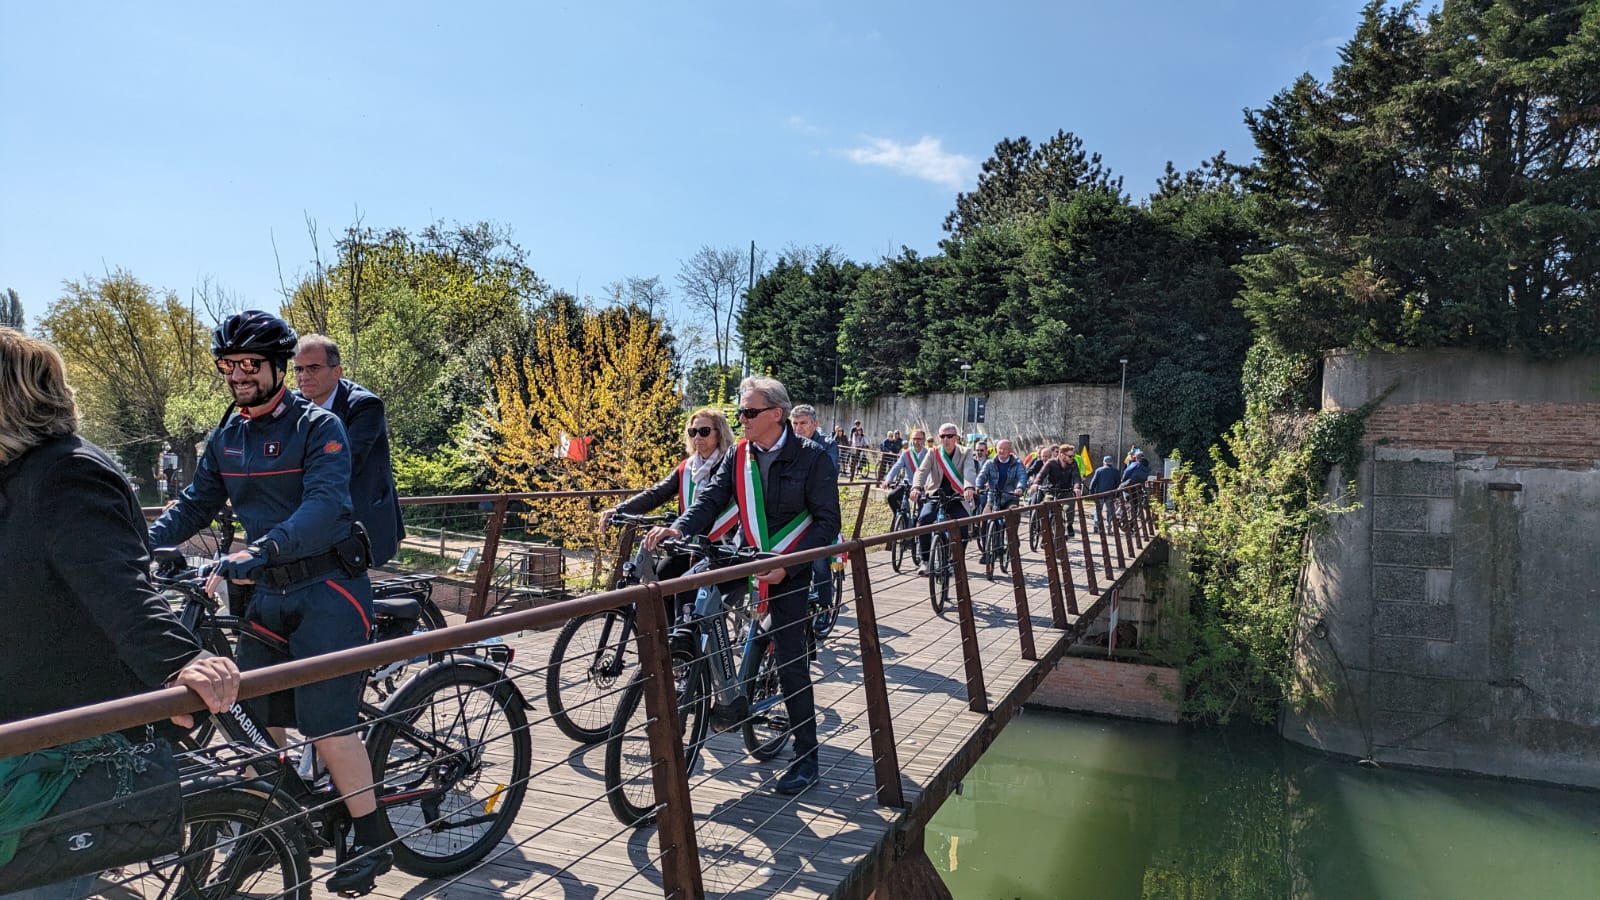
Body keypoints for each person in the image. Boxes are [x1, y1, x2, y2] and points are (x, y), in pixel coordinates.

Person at [147, 311, 389, 894]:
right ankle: (277, 821)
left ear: (277, 368)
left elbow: (327, 504)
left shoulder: (319, 425)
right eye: (229, 366)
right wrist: (136, 546)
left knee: (326, 720)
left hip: (329, 588)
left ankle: (372, 833)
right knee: (253, 715)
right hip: (268, 595)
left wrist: (260, 550)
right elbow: (194, 503)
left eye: (249, 365)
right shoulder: (227, 436)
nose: (238, 376)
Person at [0, 329, 239, 900]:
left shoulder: (67, 474)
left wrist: (180, 661)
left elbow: (118, 585)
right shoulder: (16, 473)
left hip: (63, 738)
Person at [643, 376, 840, 795]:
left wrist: (786, 567)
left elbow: (827, 523)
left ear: (776, 414)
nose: (742, 419)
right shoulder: (738, 455)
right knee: (691, 599)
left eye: (749, 412)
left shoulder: (813, 458)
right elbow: (710, 500)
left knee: (790, 661)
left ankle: (807, 757)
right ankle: (717, 690)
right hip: (743, 554)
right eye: (740, 412)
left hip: (788, 565)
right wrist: (679, 529)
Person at [600, 408, 738, 621]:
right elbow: (658, 493)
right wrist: (620, 509)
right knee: (662, 580)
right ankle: (672, 642)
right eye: (693, 432)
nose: (697, 437)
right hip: (687, 541)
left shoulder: (729, 466)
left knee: (688, 588)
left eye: (704, 431)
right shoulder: (687, 467)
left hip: (718, 544)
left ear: (719, 433)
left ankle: (691, 643)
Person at [292, 334, 405, 567]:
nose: (303, 376)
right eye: (298, 369)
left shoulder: (365, 406)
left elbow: (345, 463)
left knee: (354, 597)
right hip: (315, 519)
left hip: (361, 520)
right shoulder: (293, 405)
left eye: (313, 368)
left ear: (337, 371)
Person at [908, 423, 980, 575]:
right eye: (942, 436)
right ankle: (925, 560)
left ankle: (956, 560)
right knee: (923, 520)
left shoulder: (965, 452)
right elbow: (921, 471)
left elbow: (969, 470)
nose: (946, 439)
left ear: (956, 438)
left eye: (949, 436)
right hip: (936, 495)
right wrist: (916, 487)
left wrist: (968, 487)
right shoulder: (933, 453)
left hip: (957, 497)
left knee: (963, 525)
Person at [788, 405, 839, 620]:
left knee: (819, 562)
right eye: (795, 424)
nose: (798, 428)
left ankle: (825, 607)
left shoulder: (827, 445)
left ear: (815, 424)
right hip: (793, 510)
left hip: (819, 511)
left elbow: (828, 474)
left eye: (803, 423)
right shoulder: (788, 444)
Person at [975, 439, 1026, 578]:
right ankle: (987, 552)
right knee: (984, 520)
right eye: (999, 448)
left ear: (1010, 450)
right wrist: (978, 486)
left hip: (1010, 498)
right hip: (993, 497)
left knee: (1013, 515)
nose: (1001, 451)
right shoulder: (990, 462)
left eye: (1004, 448)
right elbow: (982, 475)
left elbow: (1022, 477)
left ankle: (1012, 542)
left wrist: (1020, 488)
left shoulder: (1017, 463)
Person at [881, 428, 928, 523]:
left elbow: (932, 471)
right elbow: (896, 467)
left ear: (924, 440)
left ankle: (917, 526)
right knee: (891, 497)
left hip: (921, 487)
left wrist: (928, 484)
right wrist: (888, 479)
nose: (916, 441)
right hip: (908, 484)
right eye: (914, 438)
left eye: (919, 439)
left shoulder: (928, 454)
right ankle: (901, 518)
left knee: (923, 509)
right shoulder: (906, 453)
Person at [1037, 442, 1082, 538]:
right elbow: (1042, 474)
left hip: (1066, 491)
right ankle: (1043, 532)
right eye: (1070, 456)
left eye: (1073, 456)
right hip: (1051, 490)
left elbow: (1076, 477)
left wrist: (1076, 487)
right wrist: (1036, 483)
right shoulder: (1051, 463)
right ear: (1062, 455)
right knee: (1045, 506)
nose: (1072, 458)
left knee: (1069, 506)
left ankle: (1069, 524)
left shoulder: (1073, 464)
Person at [1087, 455, 1120, 532]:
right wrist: (1117, 494)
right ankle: (1108, 526)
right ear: (1111, 462)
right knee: (1110, 511)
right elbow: (1118, 484)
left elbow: (1093, 482)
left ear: (1103, 462)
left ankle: (1096, 525)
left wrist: (1091, 492)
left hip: (1099, 494)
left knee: (1098, 510)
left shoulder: (1099, 470)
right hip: (1110, 494)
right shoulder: (1116, 471)